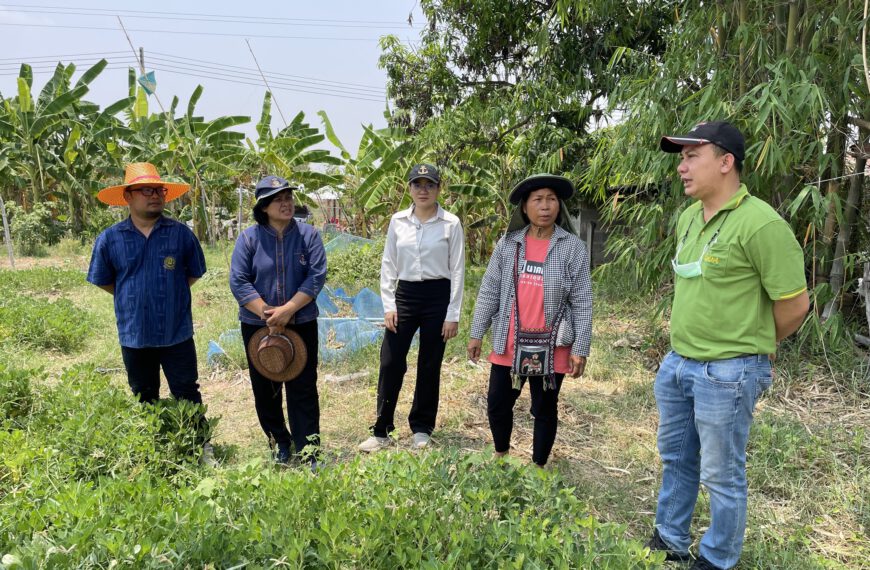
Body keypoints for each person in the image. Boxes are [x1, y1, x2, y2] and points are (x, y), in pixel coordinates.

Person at [649, 121, 809, 570]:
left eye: (690, 156)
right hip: (679, 363)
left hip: (728, 372)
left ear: (725, 162)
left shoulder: (761, 224)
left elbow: (795, 304)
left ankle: (717, 558)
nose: (681, 167)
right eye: (680, 158)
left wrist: (756, 344)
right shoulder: (687, 217)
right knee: (677, 457)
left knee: (722, 473)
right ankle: (670, 536)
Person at [86, 162, 215, 466]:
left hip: (176, 330)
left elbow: (193, 273)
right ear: (128, 196)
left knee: (186, 391)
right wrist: (133, 296)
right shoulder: (110, 238)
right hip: (135, 333)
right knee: (144, 394)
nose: (155, 195)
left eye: (159, 190)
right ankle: (156, 449)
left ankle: (200, 446)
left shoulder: (181, 235)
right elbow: (105, 280)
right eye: (147, 190)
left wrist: (168, 294)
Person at [467, 174, 592, 467]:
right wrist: (476, 333)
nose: (545, 206)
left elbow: (583, 301)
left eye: (551, 199)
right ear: (524, 208)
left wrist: (580, 348)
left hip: (552, 346)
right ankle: (500, 454)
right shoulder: (509, 245)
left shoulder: (572, 247)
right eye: (538, 200)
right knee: (498, 403)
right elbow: (489, 289)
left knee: (544, 408)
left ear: (559, 206)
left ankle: (538, 467)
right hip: (509, 342)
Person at [358, 163, 465, 451]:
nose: (423, 190)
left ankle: (421, 427)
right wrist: (389, 305)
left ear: (439, 189)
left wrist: (452, 314)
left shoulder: (451, 224)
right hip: (404, 296)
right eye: (417, 184)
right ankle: (382, 429)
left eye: (429, 184)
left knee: (429, 364)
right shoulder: (398, 221)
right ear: (409, 189)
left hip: (437, 297)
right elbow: (389, 265)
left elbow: (457, 271)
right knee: (391, 362)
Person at [230, 175, 327, 465]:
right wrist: (267, 313)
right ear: (263, 207)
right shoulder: (248, 238)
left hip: (301, 321)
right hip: (258, 325)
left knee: (304, 387)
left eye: (288, 197)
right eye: (278, 199)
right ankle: (280, 443)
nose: (285, 203)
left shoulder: (308, 235)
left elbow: (316, 276)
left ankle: (309, 449)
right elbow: (239, 281)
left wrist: (288, 310)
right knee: (266, 389)